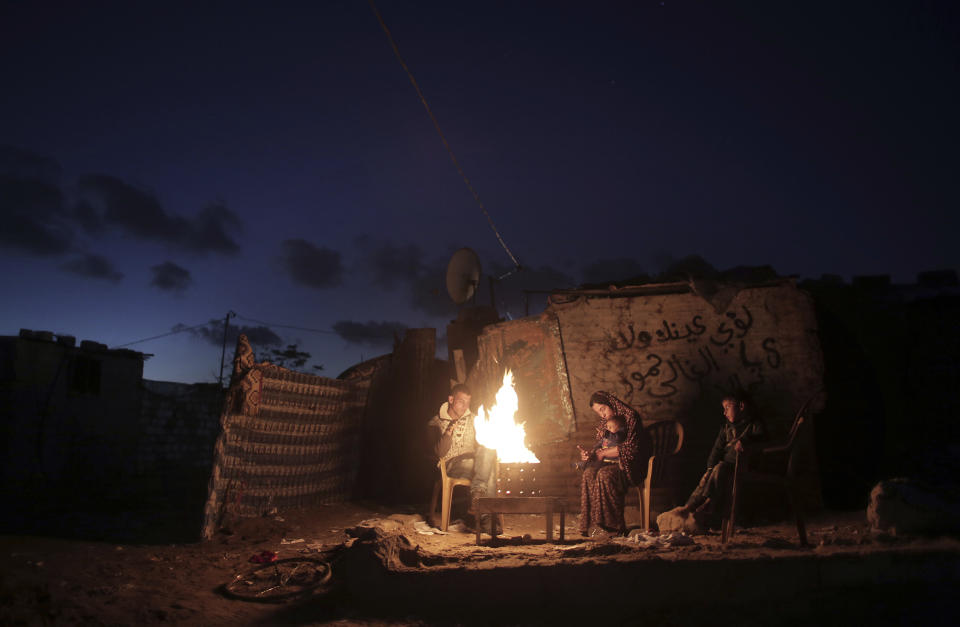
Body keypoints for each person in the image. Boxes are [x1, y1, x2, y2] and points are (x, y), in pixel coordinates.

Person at [678, 392, 767, 521]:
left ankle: (710, 503)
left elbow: (763, 438)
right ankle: (687, 508)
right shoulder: (726, 428)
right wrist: (709, 469)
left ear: (741, 406)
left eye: (727, 407)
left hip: (744, 465)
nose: (724, 412)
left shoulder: (754, 424)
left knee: (720, 469)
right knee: (707, 477)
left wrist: (747, 440)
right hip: (725, 466)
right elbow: (717, 449)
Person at [425, 383, 499, 533]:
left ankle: (477, 496)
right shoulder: (435, 422)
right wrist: (448, 433)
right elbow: (439, 453)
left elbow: (485, 441)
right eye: (461, 402)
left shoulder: (474, 419)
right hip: (452, 465)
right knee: (487, 470)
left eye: (468, 403)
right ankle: (487, 519)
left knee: (488, 452)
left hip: (475, 463)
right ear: (451, 400)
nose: (465, 407)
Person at [577, 391, 652, 537]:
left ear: (611, 403)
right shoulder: (606, 422)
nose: (602, 415)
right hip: (608, 463)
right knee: (589, 473)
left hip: (630, 465)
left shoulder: (630, 417)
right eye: (599, 412)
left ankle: (614, 527)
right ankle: (594, 524)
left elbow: (632, 449)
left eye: (603, 409)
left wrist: (604, 453)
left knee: (605, 475)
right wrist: (590, 454)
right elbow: (602, 446)